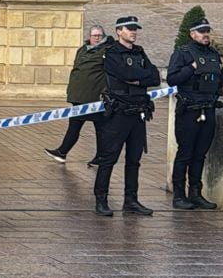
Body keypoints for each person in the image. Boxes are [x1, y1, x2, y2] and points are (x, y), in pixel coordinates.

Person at [93, 16, 160, 217]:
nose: (133, 32)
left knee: (134, 160)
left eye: (135, 29)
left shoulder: (139, 52)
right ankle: (101, 200)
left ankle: (131, 200)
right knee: (108, 158)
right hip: (118, 113)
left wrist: (137, 79)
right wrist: (140, 77)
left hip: (138, 112)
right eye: (129, 29)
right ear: (118, 31)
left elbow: (155, 77)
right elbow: (124, 74)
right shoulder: (112, 52)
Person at [168, 17, 223, 210]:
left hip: (208, 108)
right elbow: (172, 78)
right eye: (202, 32)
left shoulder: (213, 54)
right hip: (189, 110)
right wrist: (192, 68)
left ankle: (195, 193)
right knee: (185, 153)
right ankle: (179, 195)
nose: (206, 35)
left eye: (207, 31)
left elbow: (221, 79)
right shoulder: (183, 53)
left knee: (200, 154)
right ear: (192, 34)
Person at [46, 25, 107, 167]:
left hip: (94, 97)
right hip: (79, 96)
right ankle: (63, 151)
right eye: (94, 36)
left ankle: (100, 157)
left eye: (99, 35)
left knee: (100, 127)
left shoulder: (107, 51)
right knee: (76, 125)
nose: (97, 38)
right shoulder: (82, 50)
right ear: (89, 37)